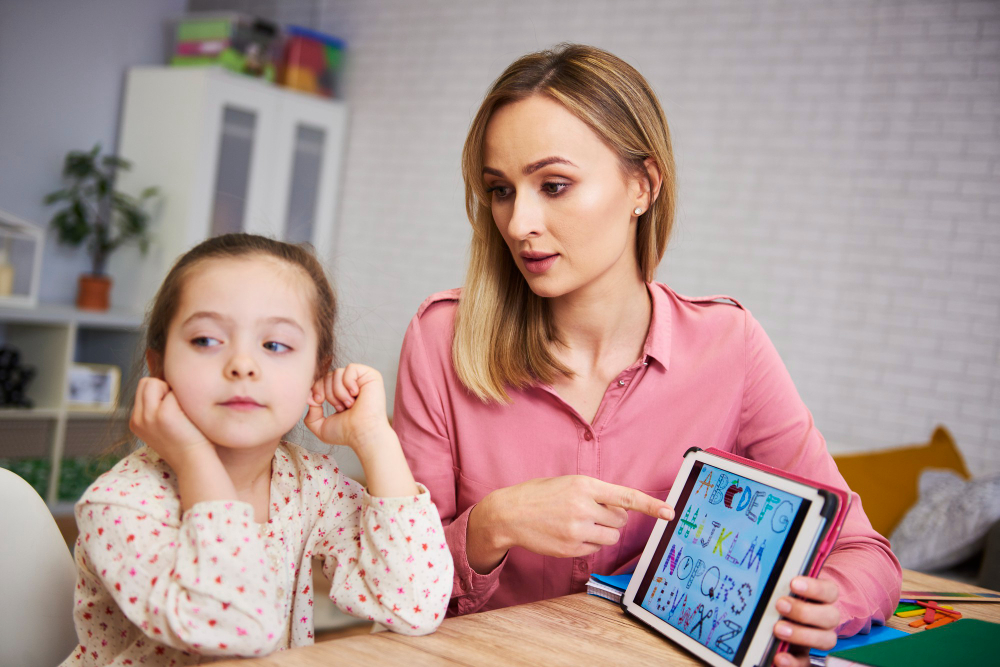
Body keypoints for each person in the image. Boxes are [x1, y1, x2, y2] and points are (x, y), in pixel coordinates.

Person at [393, 44, 901, 667]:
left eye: (554, 185)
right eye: (500, 190)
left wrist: (828, 603)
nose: (519, 221)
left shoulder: (729, 345)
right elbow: (393, 588)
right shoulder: (440, 338)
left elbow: (864, 552)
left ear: (643, 185)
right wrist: (491, 526)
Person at [63, 234, 452, 666]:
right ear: (159, 367)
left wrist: (375, 438)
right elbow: (237, 630)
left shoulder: (310, 486)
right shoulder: (123, 504)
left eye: (275, 345)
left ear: (316, 375)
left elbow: (414, 604)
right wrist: (194, 458)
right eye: (207, 340)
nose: (242, 365)